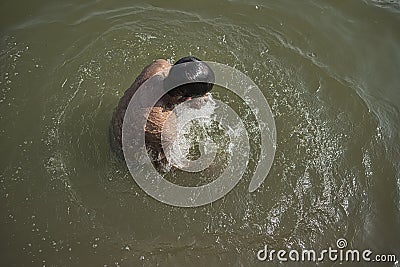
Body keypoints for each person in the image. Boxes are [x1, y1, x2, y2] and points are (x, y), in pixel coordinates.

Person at [110, 56, 215, 164]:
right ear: (185, 97)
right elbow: (167, 163)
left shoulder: (159, 66)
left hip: (118, 121)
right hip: (124, 153)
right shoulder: (164, 127)